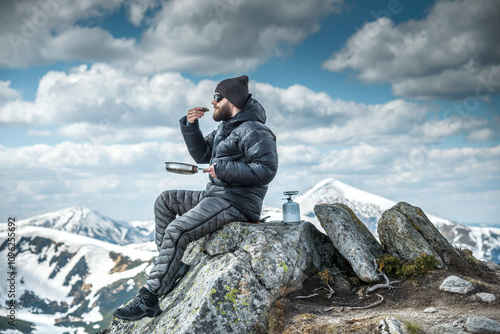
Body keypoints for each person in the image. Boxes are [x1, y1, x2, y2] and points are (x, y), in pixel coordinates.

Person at [113, 75, 278, 321]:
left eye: (216, 97)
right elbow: (203, 154)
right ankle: (174, 268)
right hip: (216, 195)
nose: (212, 102)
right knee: (165, 201)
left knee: (178, 230)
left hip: (236, 202)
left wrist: (222, 169)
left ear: (230, 100)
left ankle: (149, 298)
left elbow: (266, 171)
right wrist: (190, 126)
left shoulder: (255, 130)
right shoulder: (227, 127)